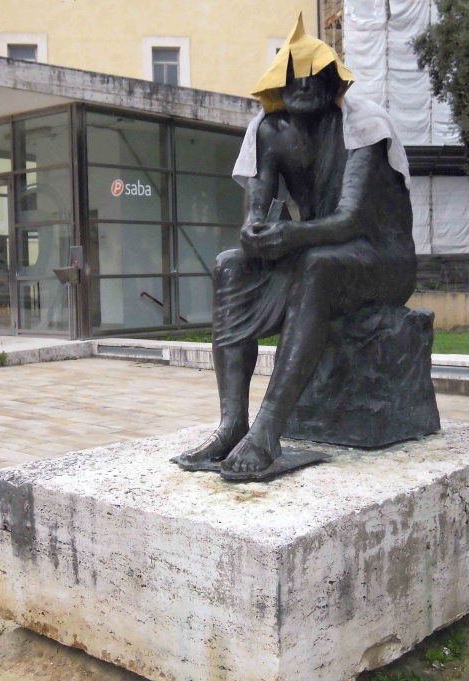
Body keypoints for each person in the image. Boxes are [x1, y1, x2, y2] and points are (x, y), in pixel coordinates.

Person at [176, 14, 416, 479]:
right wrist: (254, 233)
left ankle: (267, 430)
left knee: (318, 266)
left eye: (313, 75)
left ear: (333, 83)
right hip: (315, 248)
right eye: (293, 76)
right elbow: (256, 211)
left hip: (382, 258)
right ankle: (232, 423)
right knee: (229, 266)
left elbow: (350, 220)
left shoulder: (365, 126)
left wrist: (290, 237)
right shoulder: (269, 131)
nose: (303, 85)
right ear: (278, 82)